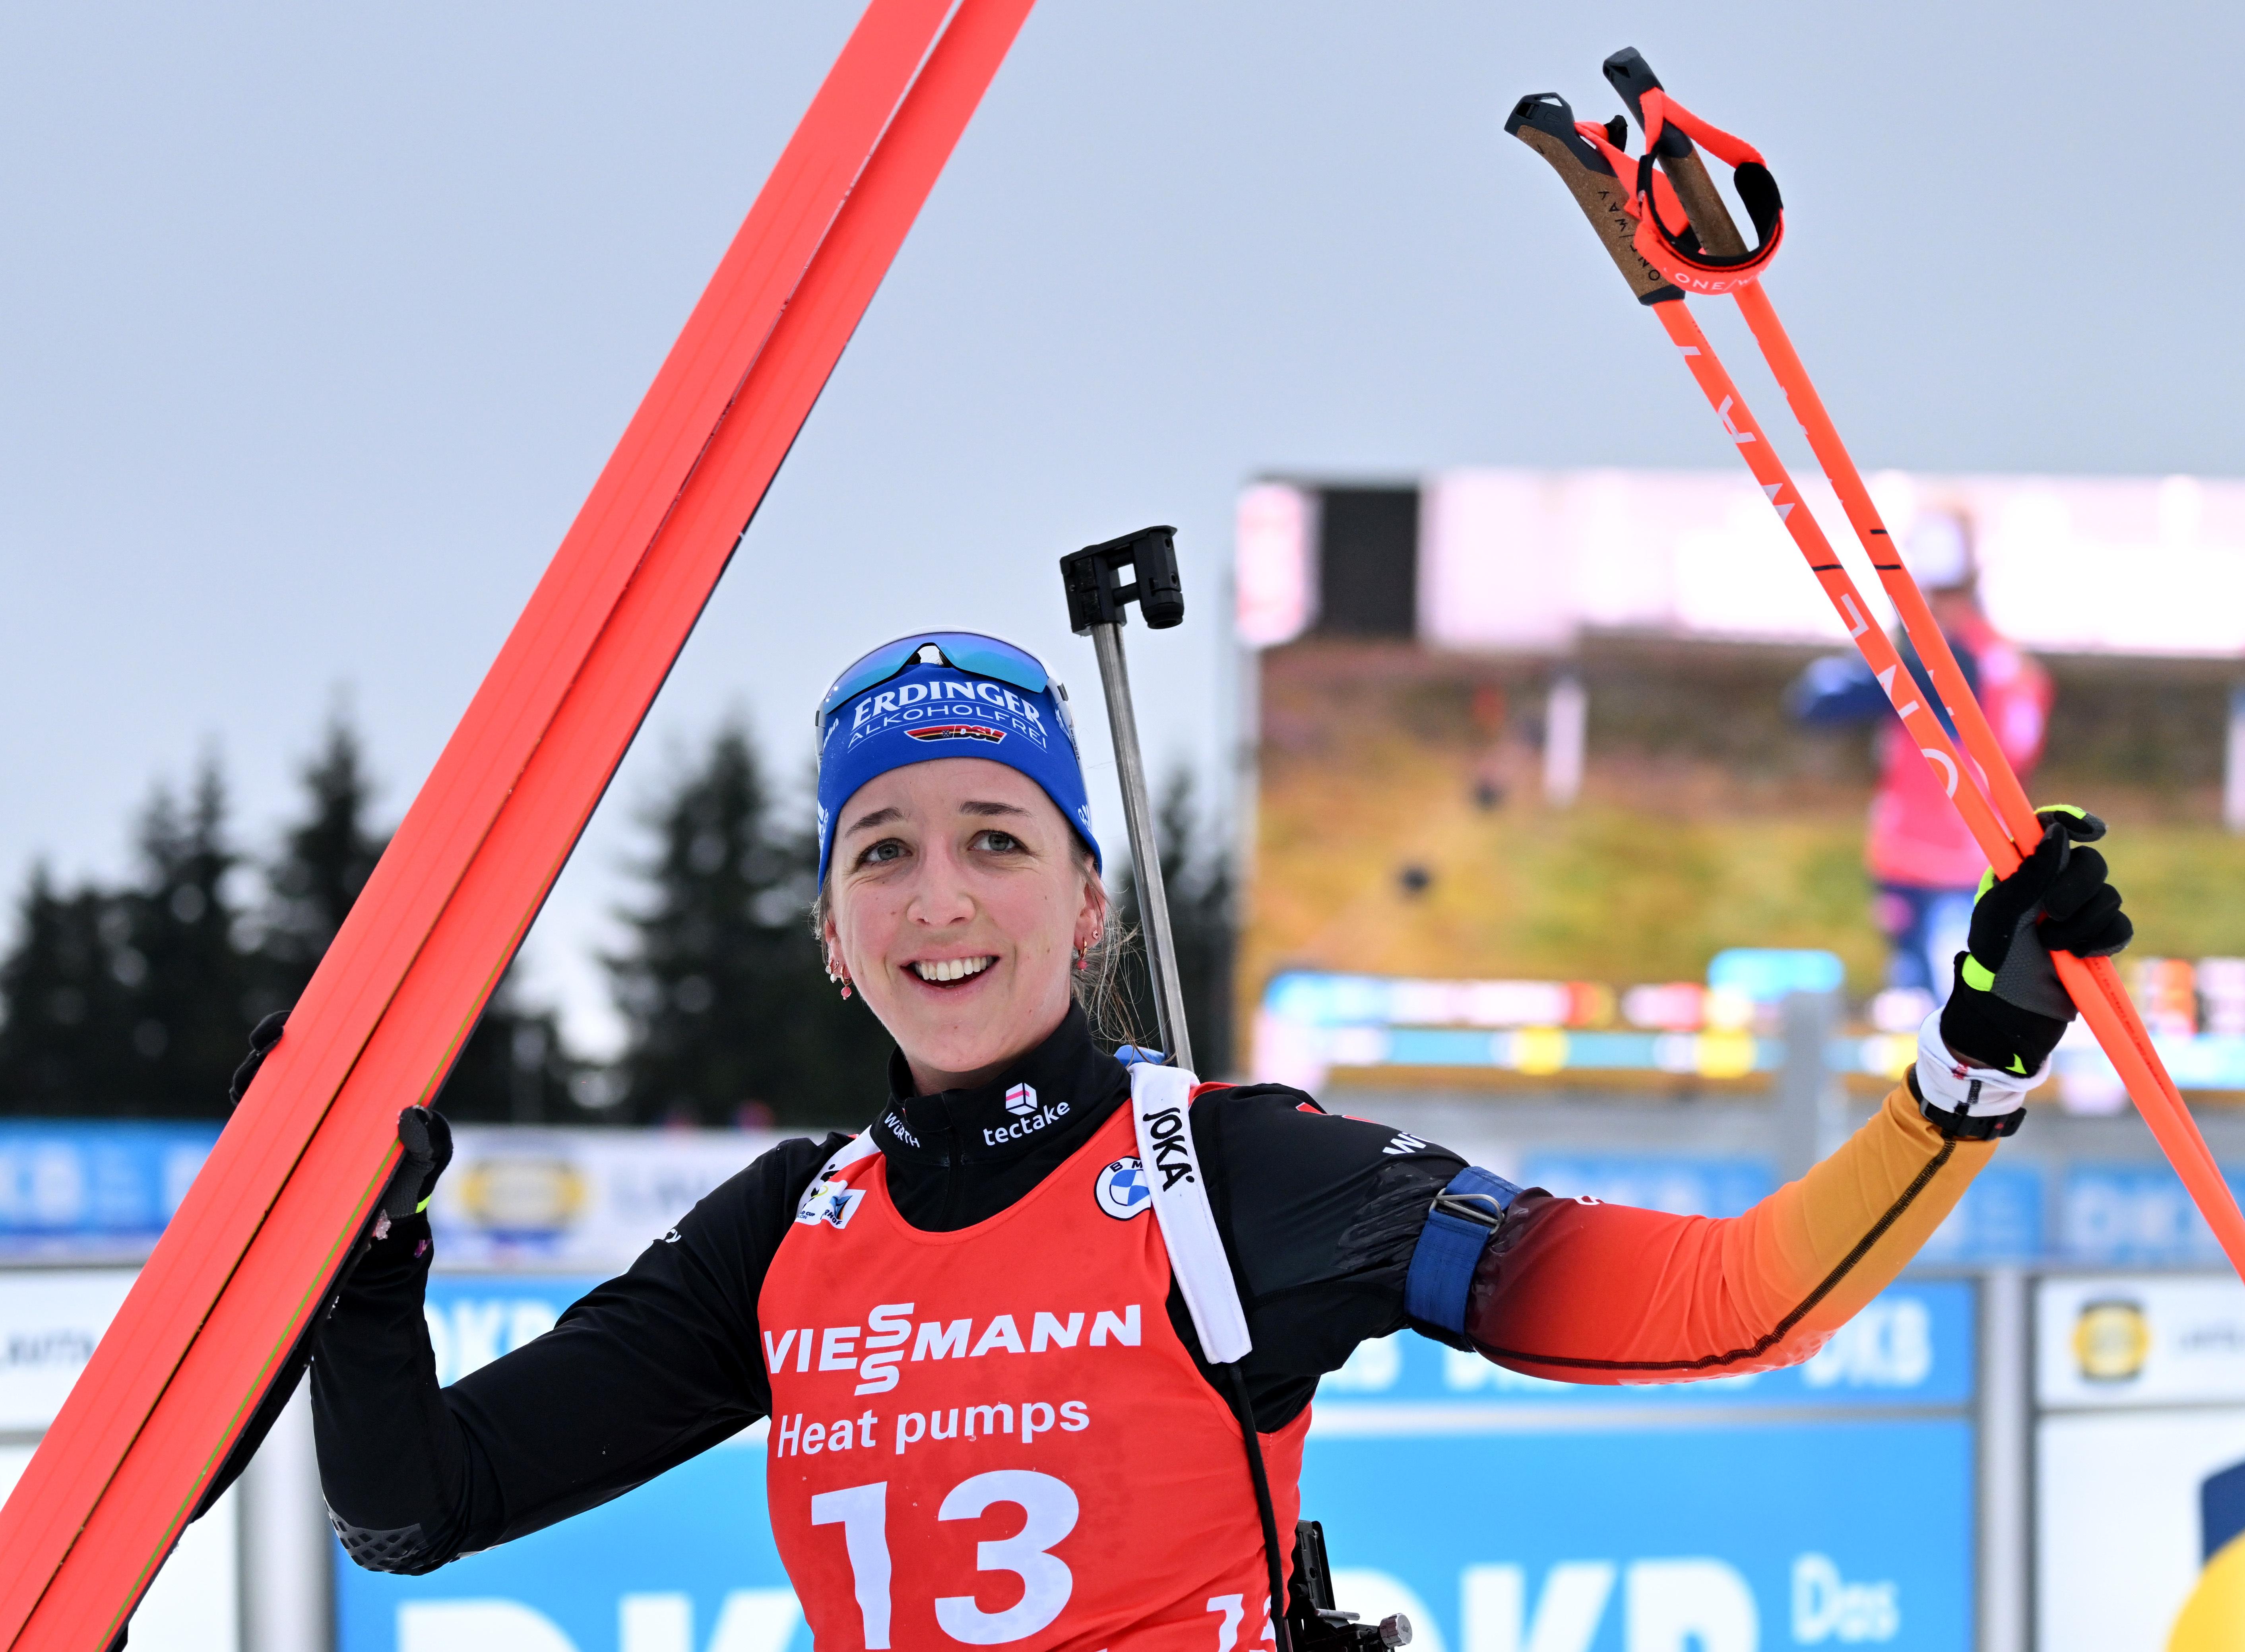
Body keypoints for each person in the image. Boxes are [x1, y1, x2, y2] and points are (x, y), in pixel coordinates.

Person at [272, 629, 2127, 1652]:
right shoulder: (791, 1224)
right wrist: (362, 1278)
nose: (942, 895)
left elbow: (1732, 1298)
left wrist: (1976, 1043)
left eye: (998, 836)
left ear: (1085, 898)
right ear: (834, 936)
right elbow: (412, 1504)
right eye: (883, 847)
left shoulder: (1232, 1175)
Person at [1787, 508, 2053, 999]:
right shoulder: (2008, 664)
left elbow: (1819, 702)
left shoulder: (1954, 663)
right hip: (1943, 858)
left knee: (1947, 1005)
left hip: (1953, 860)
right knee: (1937, 1000)